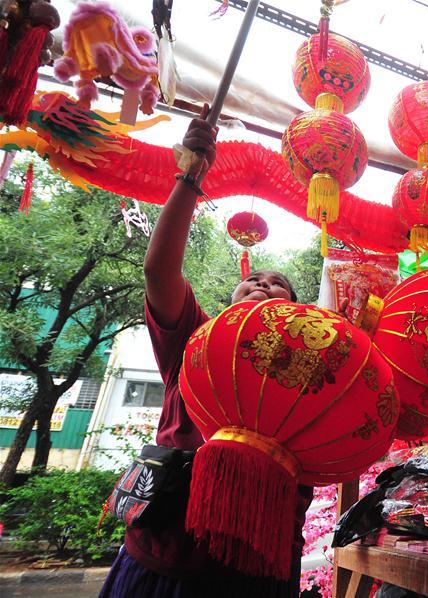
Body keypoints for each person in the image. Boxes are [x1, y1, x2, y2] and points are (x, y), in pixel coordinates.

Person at [99, 107, 314, 597]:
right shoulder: (196, 338)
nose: (263, 283)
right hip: (163, 555)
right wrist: (190, 176)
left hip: (260, 564)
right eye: (252, 281)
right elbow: (159, 273)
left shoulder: (311, 371)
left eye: (277, 284)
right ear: (228, 302)